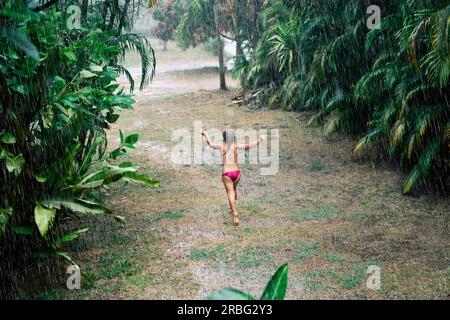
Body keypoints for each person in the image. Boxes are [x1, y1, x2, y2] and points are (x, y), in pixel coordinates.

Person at [201, 129, 263, 226]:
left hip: (227, 173)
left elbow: (210, 143)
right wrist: (259, 140)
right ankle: (231, 208)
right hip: (237, 173)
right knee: (233, 190)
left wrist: (205, 134)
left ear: (224, 137)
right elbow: (247, 146)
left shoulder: (221, 146)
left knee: (230, 192)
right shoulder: (235, 145)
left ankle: (235, 214)